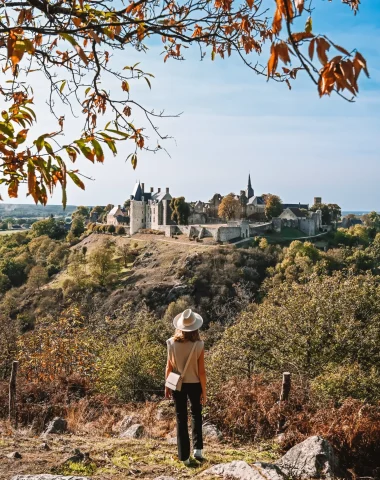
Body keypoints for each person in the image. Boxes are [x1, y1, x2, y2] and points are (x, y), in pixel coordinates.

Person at [165, 308, 206, 466]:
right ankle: (198, 450)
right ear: (195, 327)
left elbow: (169, 367)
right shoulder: (199, 345)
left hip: (177, 384)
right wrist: (204, 391)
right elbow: (202, 372)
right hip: (195, 383)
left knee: (181, 418)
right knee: (196, 415)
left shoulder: (171, 343)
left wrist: (167, 386)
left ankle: (184, 457)